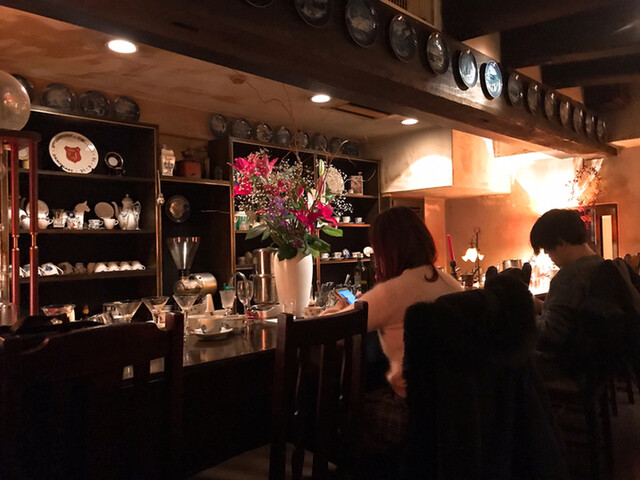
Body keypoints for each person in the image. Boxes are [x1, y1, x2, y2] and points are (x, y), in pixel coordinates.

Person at [322, 206, 462, 454]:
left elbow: (327, 328)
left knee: (331, 410)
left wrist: (338, 307)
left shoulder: (392, 292)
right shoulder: (449, 282)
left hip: (410, 411)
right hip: (453, 405)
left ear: (386, 250)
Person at [529, 208, 604, 377]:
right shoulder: (601, 264)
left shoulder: (569, 276)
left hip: (567, 363)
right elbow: (572, 314)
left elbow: (550, 335)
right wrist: (537, 304)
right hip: (597, 361)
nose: (548, 256)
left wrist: (520, 318)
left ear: (561, 243)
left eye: (547, 250)